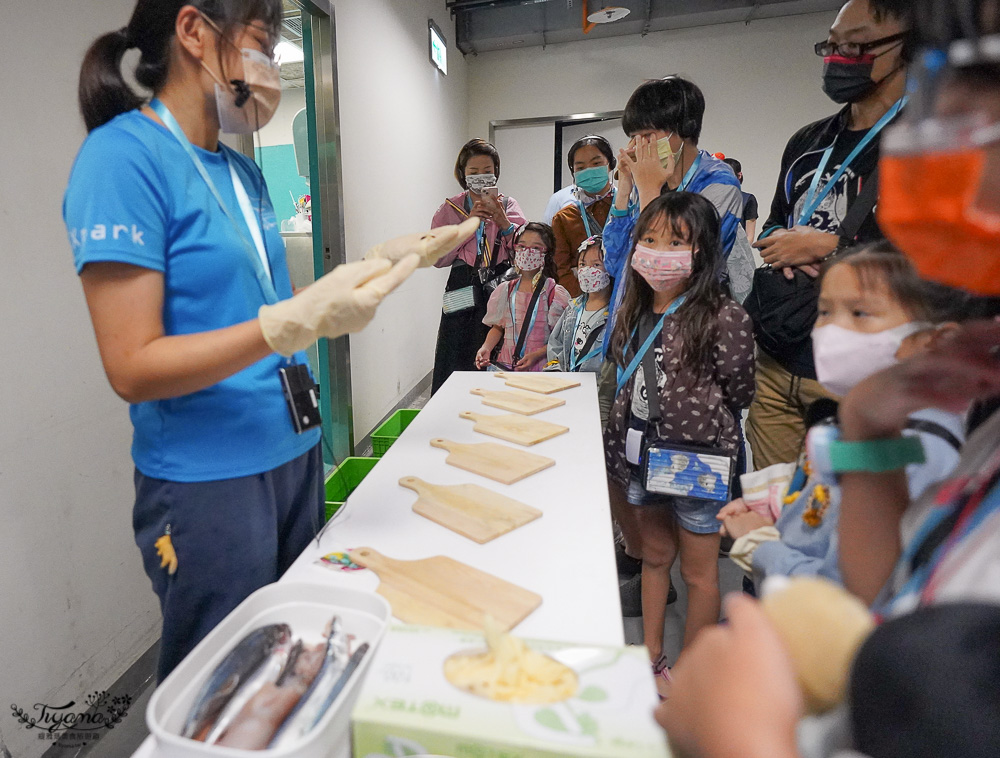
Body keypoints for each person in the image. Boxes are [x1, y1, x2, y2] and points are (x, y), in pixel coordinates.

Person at [63, 0, 474, 682]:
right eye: (260, 40)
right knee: (223, 687)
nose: (271, 63)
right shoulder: (121, 159)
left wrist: (381, 262)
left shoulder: (242, 171)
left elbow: (256, 303)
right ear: (193, 31)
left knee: (290, 662)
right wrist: (288, 322)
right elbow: (132, 366)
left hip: (295, 447)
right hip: (210, 478)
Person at [659, 0, 1000, 754]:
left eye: (979, 72)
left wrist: (741, 734)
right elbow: (885, 607)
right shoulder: (970, 401)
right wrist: (868, 435)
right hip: (793, 357)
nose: (949, 130)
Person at [720, 248, 967, 586]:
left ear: (935, 342)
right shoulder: (862, 419)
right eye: (824, 311)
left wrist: (761, 546)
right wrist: (782, 510)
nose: (831, 331)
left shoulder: (913, 449)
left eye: (860, 313)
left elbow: (847, 590)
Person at [745, 0, 910, 470]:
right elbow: (777, 220)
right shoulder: (807, 142)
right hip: (778, 358)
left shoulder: (922, 144)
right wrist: (786, 243)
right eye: (831, 45)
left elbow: (937, 266)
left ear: (907, 47)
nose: (837, 57)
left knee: (854, 515)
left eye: (854, 45)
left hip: (865, 369)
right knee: (774, 507)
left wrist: (831, 247)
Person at [602, 192, 755, 695]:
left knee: (701, 571)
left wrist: (698, 419)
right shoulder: (631, 309)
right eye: (649, 239)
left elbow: (739, 389)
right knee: (653, 557)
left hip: (696, 463)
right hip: (641, 458)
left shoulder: (723, 315)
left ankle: (691, 674)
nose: (658, 250)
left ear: (702, 251)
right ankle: (649, 657)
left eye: (675, 241)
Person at [603, 76, 755, 318]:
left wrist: (649, 191)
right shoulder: (647, 180)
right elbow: (614, 263)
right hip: (632, 317)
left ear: (682, 130)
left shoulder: (718, 184)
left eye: (647, 135)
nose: (635, 146)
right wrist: (625, 189)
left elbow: (670, 269)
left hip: (681, 324)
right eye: (633, 137)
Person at [431, 139, 527, 392]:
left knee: (497, 347)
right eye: (473, 172)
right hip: (461, 284)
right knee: (456, 348)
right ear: (462, 174)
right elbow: (436, 257)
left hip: (500, 284)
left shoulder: (508, 205)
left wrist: (502, 220)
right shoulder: (449, 209)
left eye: (487, 170)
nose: (481, 177)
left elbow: (525, 249)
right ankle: (451, 408)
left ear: (496, 172)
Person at [475, 223, 570, 372]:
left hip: (541, 367)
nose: (527, 253)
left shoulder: (553, 293)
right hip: (506, 365)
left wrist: (536, 355)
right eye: (522, 246)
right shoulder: (505, 290)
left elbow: (560, 338)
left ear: (547, 253)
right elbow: (498, 327)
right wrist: (486, 347)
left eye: (536, 248)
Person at [550, 135, 617, 296]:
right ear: (573, 172)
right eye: (580, 167)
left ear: (610, 164)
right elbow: (561, 270)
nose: (588, 171)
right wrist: (586, 301)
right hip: (583, 302)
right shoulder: (564, 218)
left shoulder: (629, 208)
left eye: (596, 163)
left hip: (626, 297)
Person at [546, 235, 612, 373]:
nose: (587, 270)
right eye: (582, 264)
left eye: (596, 265)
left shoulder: (617, 314)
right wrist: (555, 371)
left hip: (597, 388)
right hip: (568, 383)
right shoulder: (573, 308)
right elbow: (556, 344)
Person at [722, 157, 759, 242]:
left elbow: (749, 236)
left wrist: (743, 254)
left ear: (739, 175)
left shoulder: (748, 199)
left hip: (738, 251)